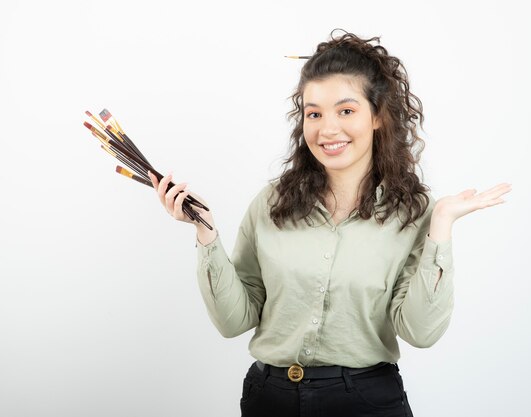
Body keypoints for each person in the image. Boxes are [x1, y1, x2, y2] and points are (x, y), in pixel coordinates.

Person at [148, 29, 512, 417]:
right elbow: (234, 321)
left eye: (346, 111)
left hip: (366, 402)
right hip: (269, 400)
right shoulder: (270, 203)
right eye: (314, 114)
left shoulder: (414, 214)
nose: (327, 129)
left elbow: (421, 332)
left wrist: (440, 226)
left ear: (377, 116)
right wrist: (206, 233)